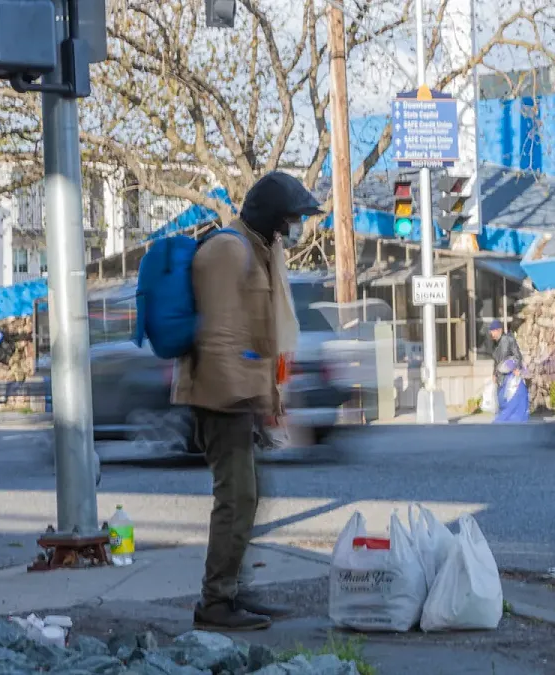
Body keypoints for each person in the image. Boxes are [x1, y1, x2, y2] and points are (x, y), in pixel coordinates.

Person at [172, 171, 321, 631]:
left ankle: (232, 589)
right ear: (269, 218)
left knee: (250, 495)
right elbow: (219, 338)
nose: (293, 229)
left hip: (239, 398)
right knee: (237, 499)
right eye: (289, 220)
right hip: (221, 399)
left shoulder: (259, 251)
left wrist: (269, 396)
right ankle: (215, 602)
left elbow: (262, 336)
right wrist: (250, 399)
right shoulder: (227, 251)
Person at [488, 319, 523, 387]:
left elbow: (518, 356)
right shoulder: (494, 345)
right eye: (491, 331)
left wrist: (517, 369)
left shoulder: (509, 340)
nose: (491, 333)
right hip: (500, 380)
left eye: (493, 331)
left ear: (499, 330)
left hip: (511, 378)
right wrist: (494, 374)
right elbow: (496, 362)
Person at [494, 358, 529, 423]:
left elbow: (527, 374)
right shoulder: (509, 374)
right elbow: (501, 369)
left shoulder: (519, 364)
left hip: (517, 393)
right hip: (512, 393)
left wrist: (520, 372)